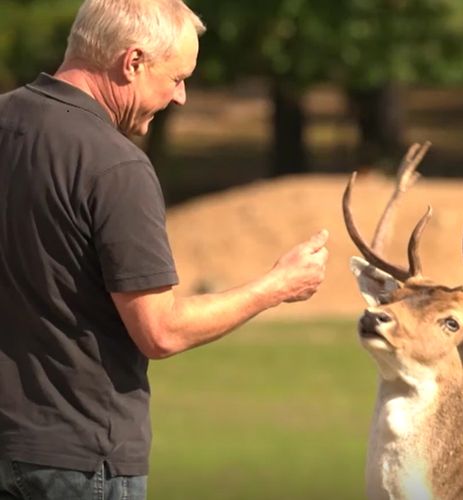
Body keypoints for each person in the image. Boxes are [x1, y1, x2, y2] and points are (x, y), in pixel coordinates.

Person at [0, 1, 328, 498]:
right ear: (131, 62)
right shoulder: (115, 167)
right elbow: (161, 331)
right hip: (80, 460)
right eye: (176, 78)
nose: (181, 98)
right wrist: (276, 286)